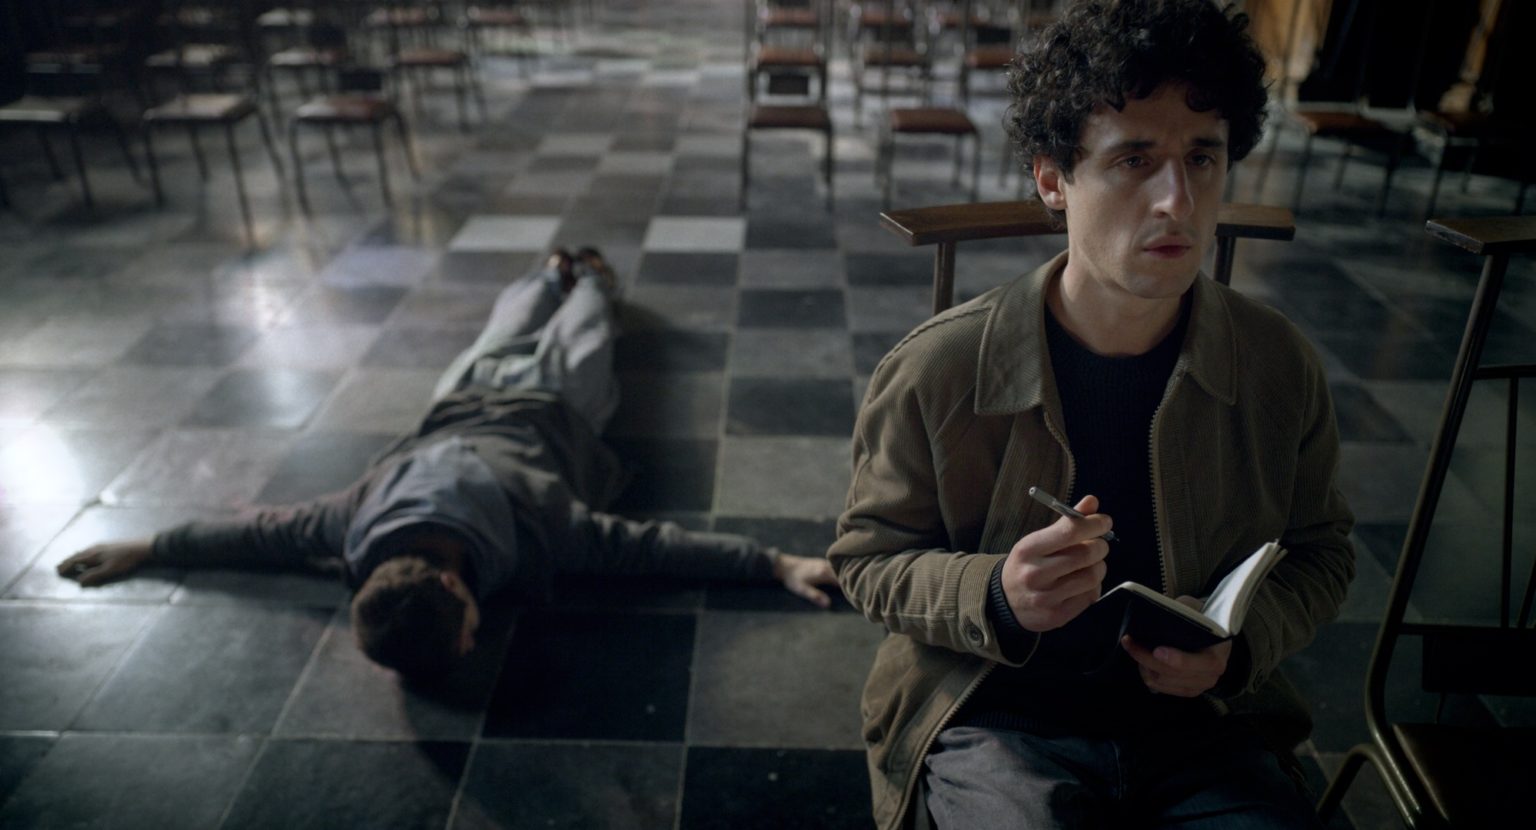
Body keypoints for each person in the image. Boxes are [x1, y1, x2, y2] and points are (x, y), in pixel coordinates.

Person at [828, 2, 1355, 828]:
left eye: (1202, 157)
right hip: (997, 717)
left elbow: (1322, 551)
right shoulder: (939, 369)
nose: (1178, 200)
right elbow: (868, 561)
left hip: (1203, 729)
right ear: (1052, 180)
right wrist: (996, 592)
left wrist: (1239, 648)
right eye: (1134, 160)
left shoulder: (1276, 366)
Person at [60, 247, 837, 677]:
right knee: (513, 324)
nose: (469, 645)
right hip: (462, 396)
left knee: (587, 323)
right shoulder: (355, 519)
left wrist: (774, 564)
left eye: (463, 633)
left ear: (453, 586)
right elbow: (260, 535)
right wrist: (148, 546)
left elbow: (651, 549)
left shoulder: (539, 525)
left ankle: (579, 277)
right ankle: (556, 276)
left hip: (552, 405)